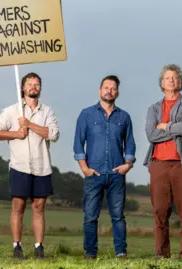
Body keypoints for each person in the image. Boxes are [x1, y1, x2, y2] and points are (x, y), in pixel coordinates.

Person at [0, 72, 60, 259]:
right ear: (22, 87)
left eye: (36, 84)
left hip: (42, 166)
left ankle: (39, 248)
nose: (33, 87)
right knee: (18, 206)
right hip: (19, 166)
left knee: (39, 207)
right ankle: (17, 247)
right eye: (29, 84)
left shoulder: (47, 111)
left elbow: (53, 134)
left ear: (40, 88)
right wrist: (15, 133)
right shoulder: (11, 111)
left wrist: (30, 125)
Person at [73, 75, 136, 259]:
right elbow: (78, 143)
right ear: (99, 90)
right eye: (106, 87)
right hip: (94, 173)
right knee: (90, 216)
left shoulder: (124, 117)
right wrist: (84, 168)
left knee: (118, 216)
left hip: (117, 173)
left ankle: (121, 253)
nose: (109, 90)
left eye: (113, 88)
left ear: (117, 92)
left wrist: (128, 164)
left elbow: (130, 143)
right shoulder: (86, 114)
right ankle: (90, 253)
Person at [143, 64, 182, 259]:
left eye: (175, 78)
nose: (171, 80)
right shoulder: (153, 108)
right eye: (167, 78)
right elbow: (151, 134)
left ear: (181, 82)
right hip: (158, 164)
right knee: (160, 212)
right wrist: (178, 125)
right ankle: (162, 255)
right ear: (162, 83)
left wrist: (165, 126)